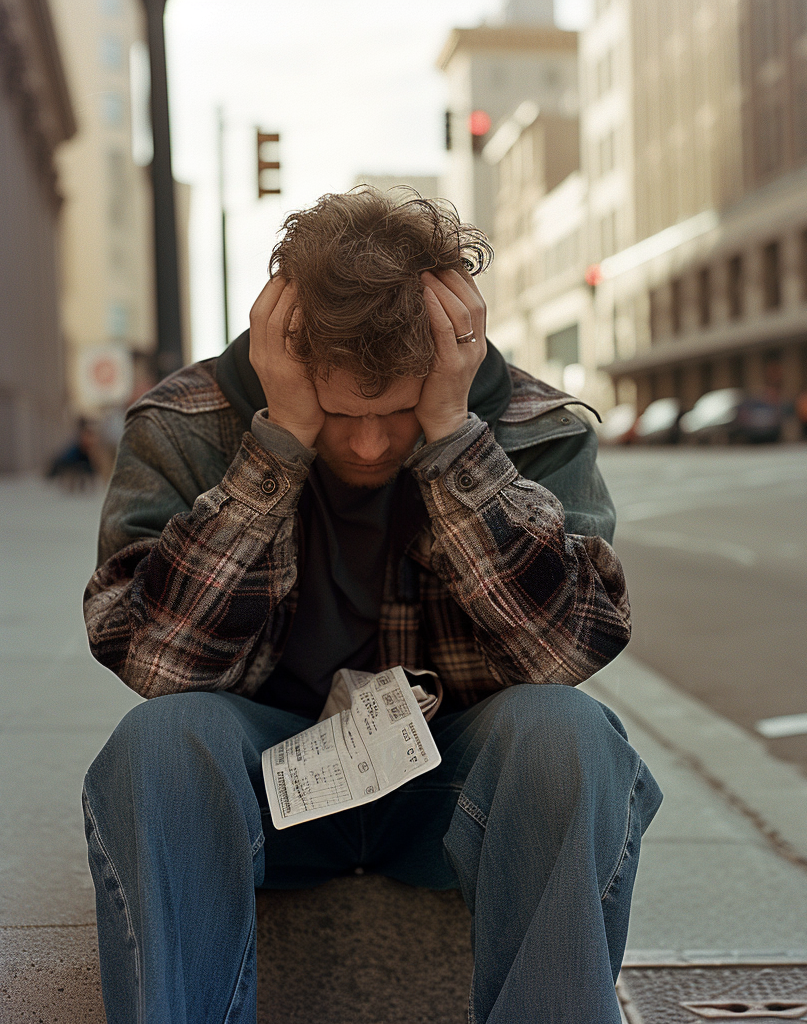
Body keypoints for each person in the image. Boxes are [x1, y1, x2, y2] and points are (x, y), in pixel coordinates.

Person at [81, 188, 662, 1024]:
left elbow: (562, 654)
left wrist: (456, 441)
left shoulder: (535, 427)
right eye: (339, 413)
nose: (365, 443)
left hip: (448, 790)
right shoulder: (186, 424)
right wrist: (278, 444)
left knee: (571, 734)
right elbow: (156, 661)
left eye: (397, 413)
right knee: (160, 744)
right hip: (262, 792)